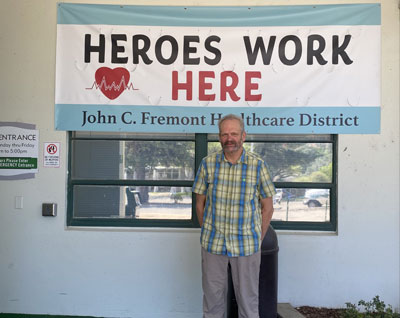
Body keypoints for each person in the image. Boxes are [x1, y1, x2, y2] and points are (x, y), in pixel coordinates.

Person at [192, 114, 276, 318]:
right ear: (220, 137)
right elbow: (199, 203)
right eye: (224, 134)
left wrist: (257, 239)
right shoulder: (208, 164)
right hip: (213, 244)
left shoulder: (258, 166)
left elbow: (268, 208)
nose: (229, 138)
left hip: (246, 246)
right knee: (212, 301)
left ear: (243, 136)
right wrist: (208, 231)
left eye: (234, 133)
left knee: (248, 302)